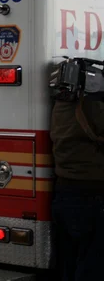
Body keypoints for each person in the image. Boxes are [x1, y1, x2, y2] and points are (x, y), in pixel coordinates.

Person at [50, 95, 104, 281]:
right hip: (89, 197)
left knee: (70, 263)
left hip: (66, 194)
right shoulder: (90, 105)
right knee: (92, 266)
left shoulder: (60, 105)